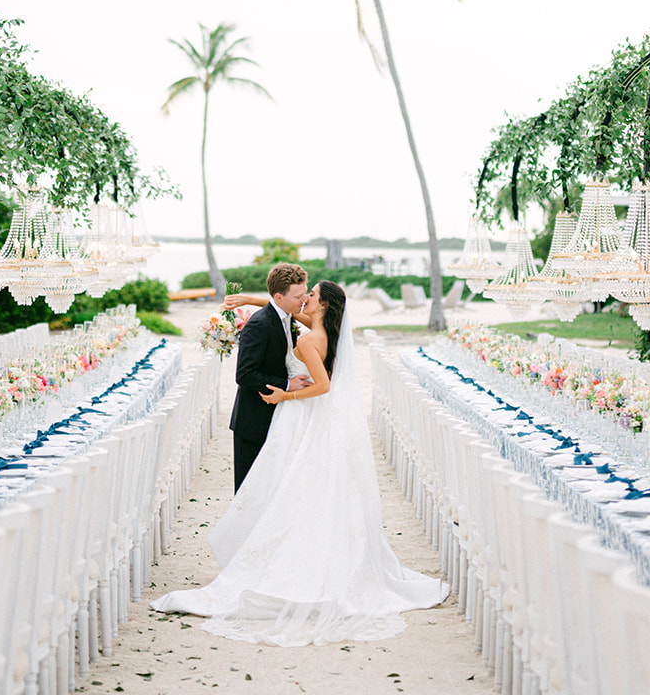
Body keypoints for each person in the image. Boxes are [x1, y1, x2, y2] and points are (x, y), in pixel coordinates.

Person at [152, 279, 447, 645]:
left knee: (291, 489)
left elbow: (322, 386)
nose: (305, 299)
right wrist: (249, 299)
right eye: (303, 295)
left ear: (322, 305)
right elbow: (285, 305)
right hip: (313, 418)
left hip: (301, 411)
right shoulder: (324, 329)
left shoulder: (309, 339)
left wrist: (284, 397)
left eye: (312, 296)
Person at [227, 261, 309, 492]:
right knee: (248, 491)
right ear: (278, 297)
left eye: (304, 293)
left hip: (276, 418)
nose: (303, 300)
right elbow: (244, 374)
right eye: (297, 296)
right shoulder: (259, 324)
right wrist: (286, 384)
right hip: (253, 421)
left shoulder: (288, 317)